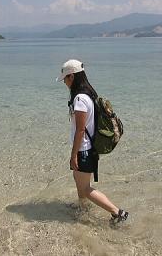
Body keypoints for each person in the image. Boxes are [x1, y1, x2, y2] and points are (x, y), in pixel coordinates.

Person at [56, 59, 129, 223]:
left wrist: (73, 154)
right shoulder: (89, 93)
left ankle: (118, 213)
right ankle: (83, 207)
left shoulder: (80, 99)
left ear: (72, 77)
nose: (64, 83)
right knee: (78, 178)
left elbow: (81, 130)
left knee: (86, 188)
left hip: (84, 150)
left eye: (65, 79)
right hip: (88, 148)